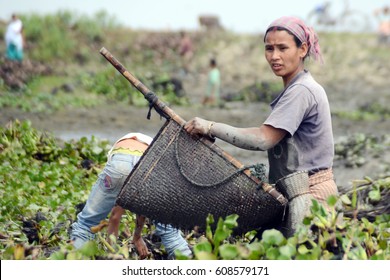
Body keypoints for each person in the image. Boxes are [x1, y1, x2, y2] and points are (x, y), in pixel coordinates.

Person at [184, 16, 338, 236]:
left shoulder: (302, 91)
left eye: (283, 48)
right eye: (269, 48)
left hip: (312, 194)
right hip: (297, 191)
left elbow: (263, 138)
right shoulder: (297, 88)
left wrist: (210, 126)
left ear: (302, 49)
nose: (274, 56)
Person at [70, 132, 192, 259]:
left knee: (86, 225)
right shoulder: (148, 145)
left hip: (120, 165)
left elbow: (115, 216)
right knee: (169, 232)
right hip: (153, 168)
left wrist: (111, 252)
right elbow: (141, 206)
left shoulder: (117, 153)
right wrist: (137, 236)